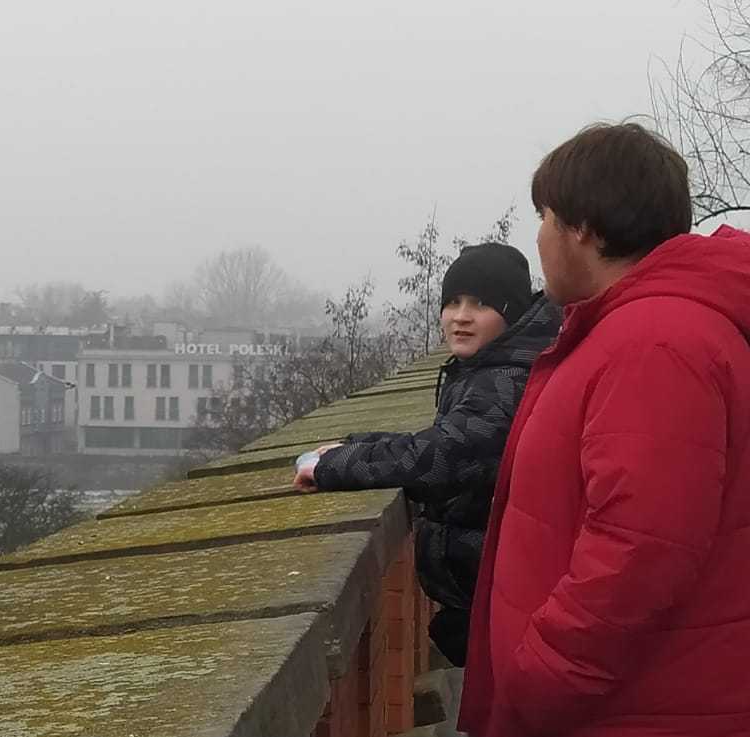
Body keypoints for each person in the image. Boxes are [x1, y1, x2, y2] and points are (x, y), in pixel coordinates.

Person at [458, 122, 750, 737]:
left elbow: (640, 551)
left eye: (545, 217)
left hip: (631, 711)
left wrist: (540, 676)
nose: (540, 238)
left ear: (584, 228)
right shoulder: (633, 330)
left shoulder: (655, 343)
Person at [293, 242, 560, 666]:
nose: (461, 316)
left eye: (481, 304)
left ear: (511, 313)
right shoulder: (491, 369)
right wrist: (359, 443)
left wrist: (335, 467)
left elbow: (439, 457)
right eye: (452, 302)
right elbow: (450, 439)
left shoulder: (504, 382)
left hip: (507, 601)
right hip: (496, 594)